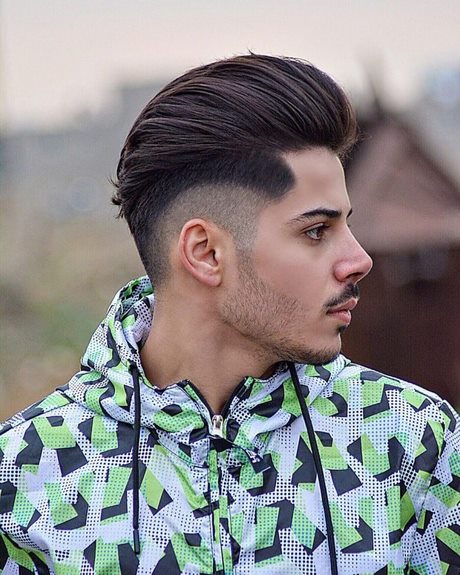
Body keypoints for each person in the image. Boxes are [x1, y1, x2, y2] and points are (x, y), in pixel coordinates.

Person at [0, 54, 458, 575]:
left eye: (346, 225)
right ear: (206, 253)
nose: (359, 260)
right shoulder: (25, 478)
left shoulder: (414, 444)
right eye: (316, 231)